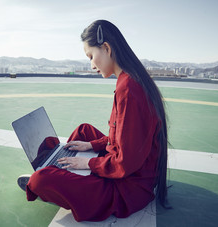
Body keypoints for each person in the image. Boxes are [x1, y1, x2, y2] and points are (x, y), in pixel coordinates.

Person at [17, 19, 170, 222]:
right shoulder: (130, 80)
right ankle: (63, 169)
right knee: (83, 131)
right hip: (132, 173)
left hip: (126, 189)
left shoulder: (129, 89)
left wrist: (88, 164)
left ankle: (58, 176)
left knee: (39, 180)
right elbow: (124, 140)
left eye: (91, 56)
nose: (91, 65)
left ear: (106, 48)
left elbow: (125, 164)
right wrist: (91, 145)